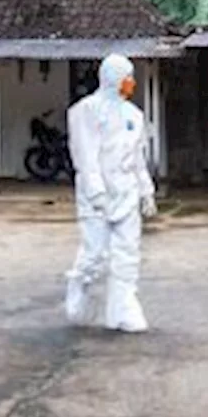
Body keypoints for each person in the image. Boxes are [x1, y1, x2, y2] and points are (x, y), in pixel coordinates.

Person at [64, 54, 158, 332]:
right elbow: (85, 155)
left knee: (128, 253)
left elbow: (137, 158)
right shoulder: (87, 110)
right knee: (95, 253)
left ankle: (123, 308)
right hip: (99, 193)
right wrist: (96, 193)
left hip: (126, 192)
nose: (132, 82)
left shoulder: (134, 115)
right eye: (127, 77)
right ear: (113, 78)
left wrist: (146, 191)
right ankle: (79, 287)